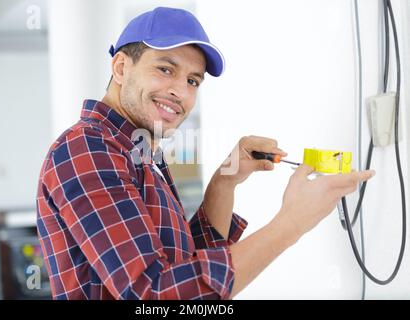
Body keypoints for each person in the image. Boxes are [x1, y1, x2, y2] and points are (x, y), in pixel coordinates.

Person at [36, 7, 375, 300]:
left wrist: (226, 179)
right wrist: (291, 224)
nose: (180, 92)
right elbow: (155, 294)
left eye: (193, 81)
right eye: (165, 69)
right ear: (121, 68)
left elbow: (185, 265)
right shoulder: (88, 149)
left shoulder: (139, 150)